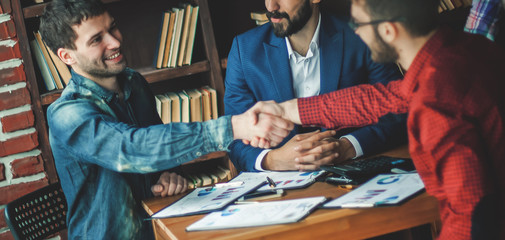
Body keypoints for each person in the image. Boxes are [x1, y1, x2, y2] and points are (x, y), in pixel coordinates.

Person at [39, 0, 293, 239]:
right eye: (96, 40)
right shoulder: (66, 113)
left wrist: (168, 176)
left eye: (112, 27)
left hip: (160, 228)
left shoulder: (134, 83)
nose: (115, 42)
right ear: (67, 56)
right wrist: (234, 127)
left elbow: (158, 156)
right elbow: (133, 149)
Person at [253, 0, 505, 238]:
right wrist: (286, 111)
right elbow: (380, 99)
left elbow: (471, 218)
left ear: (387, 30)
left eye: (359, 24)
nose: (356, 33)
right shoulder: (462, 49)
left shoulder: (435, 102)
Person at [224, 0, 407, 172]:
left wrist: (348, 147)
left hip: (355, 172)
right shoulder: (244, 49)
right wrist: (273, 159)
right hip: (282, 188)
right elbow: (234, 138)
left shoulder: (362, 35)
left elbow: (398, 113)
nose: (271, 6)